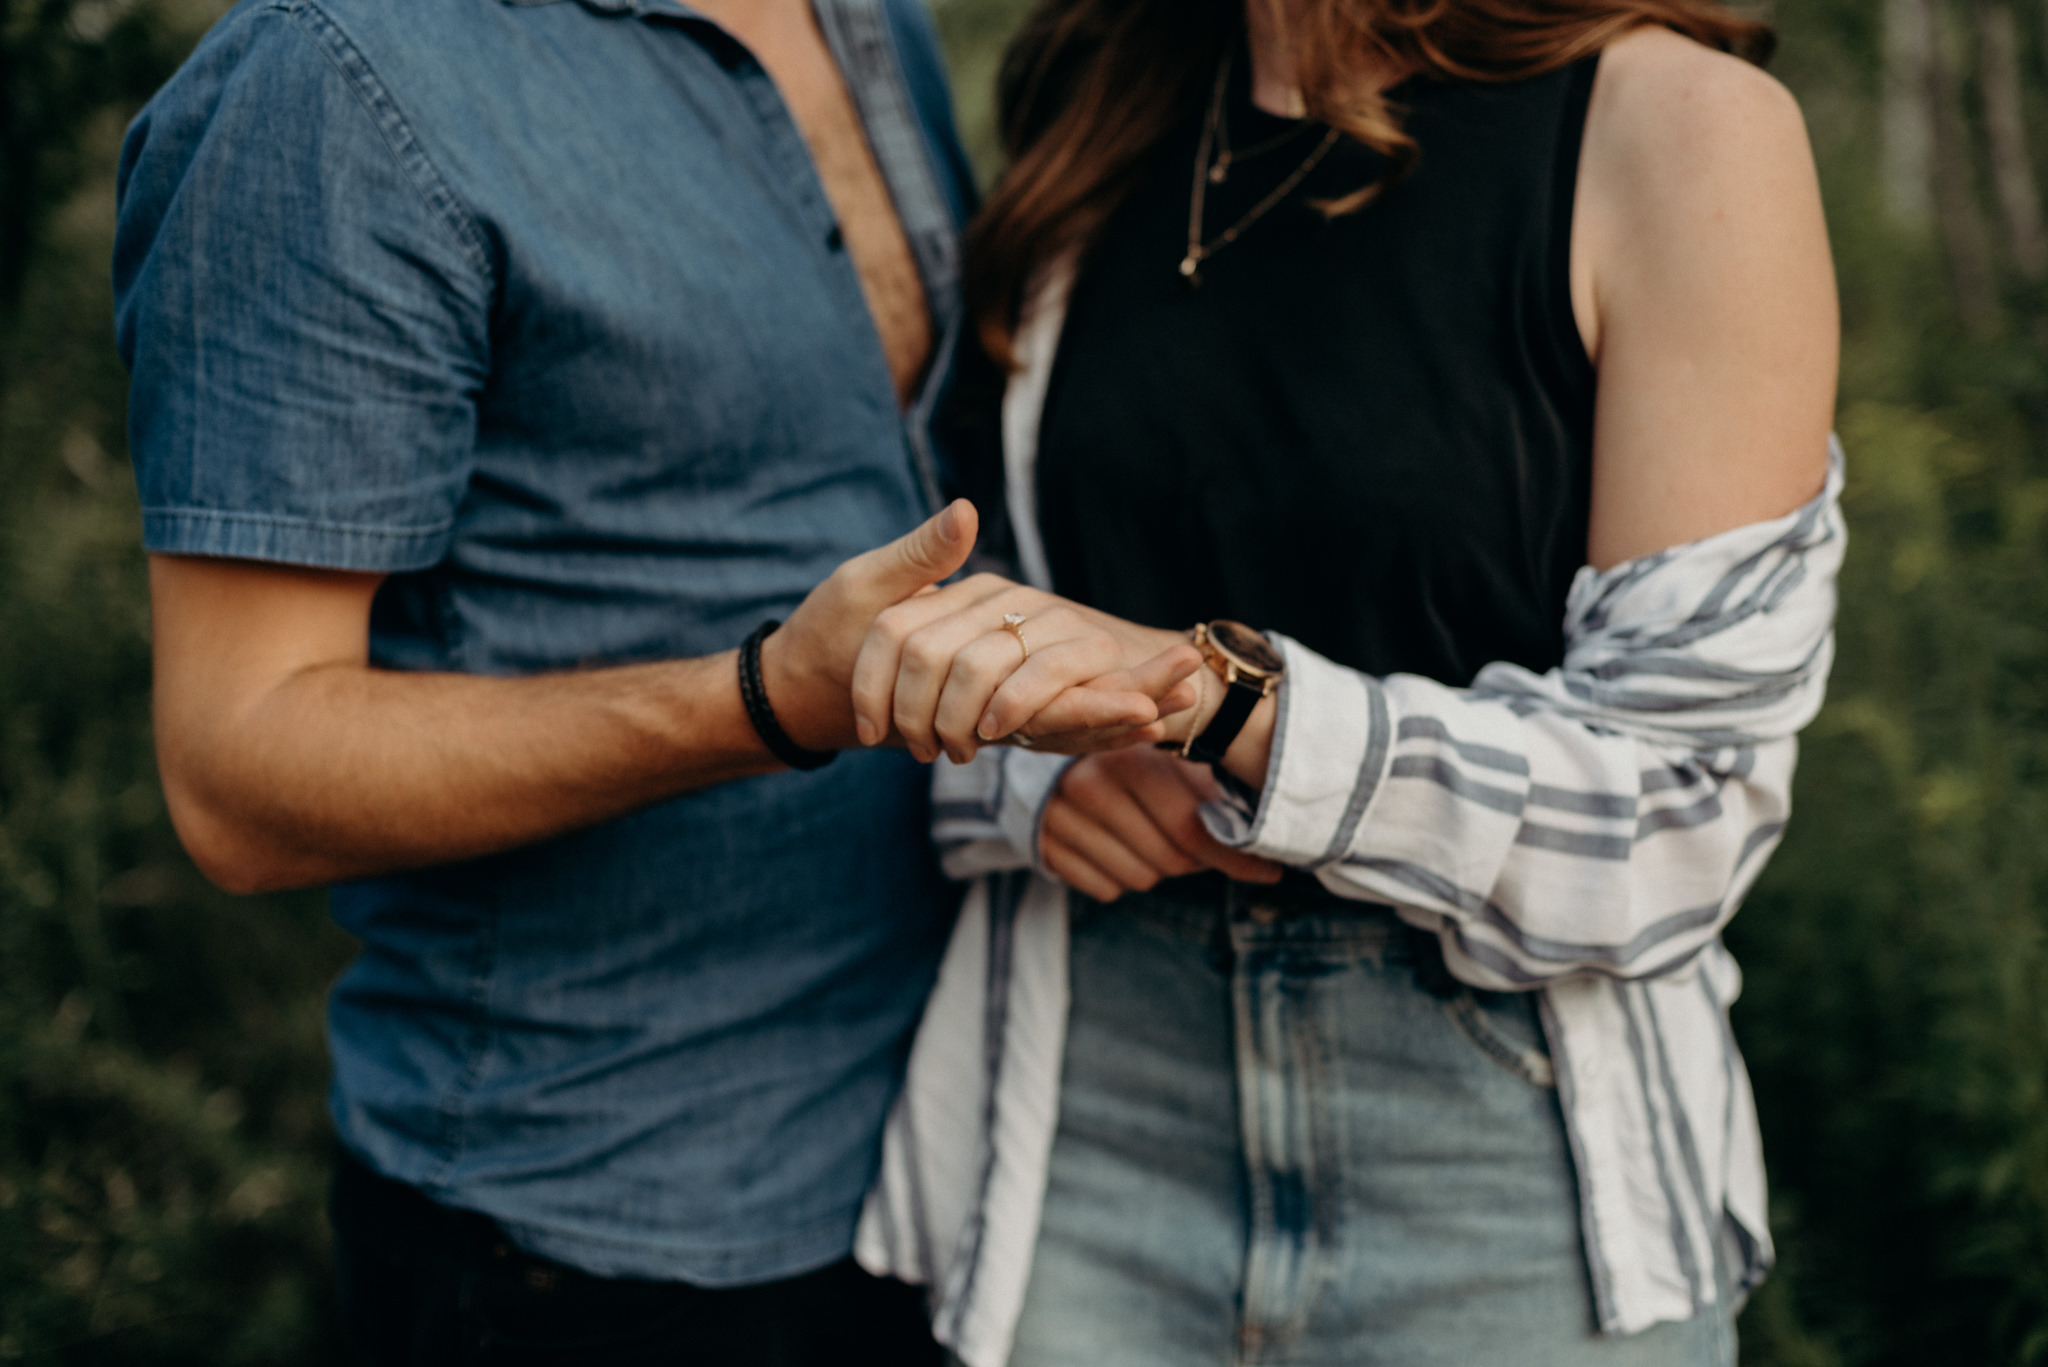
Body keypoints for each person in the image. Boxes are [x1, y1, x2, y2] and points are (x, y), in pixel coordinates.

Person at [110, 1, 1197, 1362]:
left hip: (948, 1174)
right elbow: (239, 776)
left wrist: (1045, 764)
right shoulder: (333, 78)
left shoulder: (859, 15)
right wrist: (761, 701)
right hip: (595, 1231)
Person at [846, 0, 1844, 1364]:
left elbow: (1687, 807)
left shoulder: (1680, 130)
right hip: (1091, 1108)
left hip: (1500, 1147)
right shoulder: (1098, 108)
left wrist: (1239, 710)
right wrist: (1042, 779)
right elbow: (961, 615)